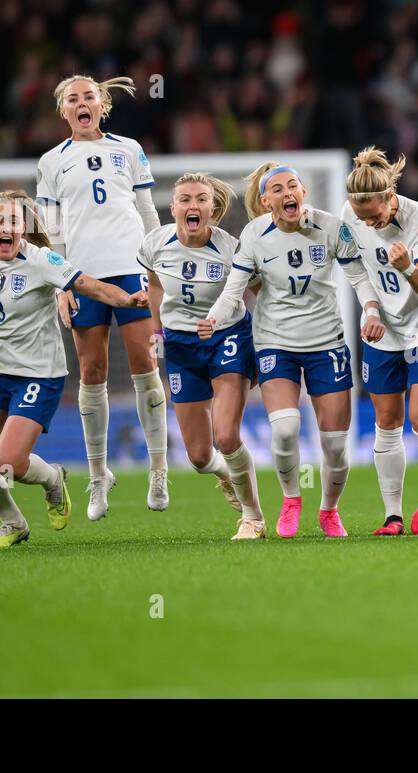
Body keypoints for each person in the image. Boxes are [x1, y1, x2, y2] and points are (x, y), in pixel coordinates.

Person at [0, 191, 149, 547]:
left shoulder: (42, 260)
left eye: (12, 222)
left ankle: (52, 478)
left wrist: (127, 300)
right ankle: (13, 522)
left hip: (39, 374)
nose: (4, 229)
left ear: (24, 228)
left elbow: (89, 285)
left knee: (9, 461)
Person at [202, 162, 384, 538]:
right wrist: (213, 318)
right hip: (275, 342)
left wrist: (370, 308)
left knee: (335, 445)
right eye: (279, 189)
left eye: (293, 186)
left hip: (326, 342)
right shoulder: (254, 235)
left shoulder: (332, 227)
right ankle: (290, 499)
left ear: (304, 192)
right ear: (266, 200)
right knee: (285, 430)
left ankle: (329, 511)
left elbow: (358, 278)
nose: (288, 194)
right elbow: (234, 290)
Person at [36, 75, 167, 519]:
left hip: (130, 269)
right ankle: (98, 477)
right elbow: (52, 231)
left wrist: (156, 272)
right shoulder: (52, 162)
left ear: (102, 105)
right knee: (91, 372)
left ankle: (158, 468)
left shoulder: (128, 149)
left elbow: (148, 211)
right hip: (82, 277)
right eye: (72, 98)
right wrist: (61, 285)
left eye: (89, 96)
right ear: (63, 111)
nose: (81, 103)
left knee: (144, 364)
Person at [141, 173, 265, 540]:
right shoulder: (155, 243)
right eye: (184, 199)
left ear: (213, 208)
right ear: (174, 206)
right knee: (198, 456)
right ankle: (226, 475)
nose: (192, 206)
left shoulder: (231, 248)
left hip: (228, 338)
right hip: (180, 345)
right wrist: (156, 333)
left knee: (226, 436)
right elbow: (155, 286)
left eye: (200, 199)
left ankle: (253, 517)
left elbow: (258, 289)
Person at [340, 147, 418, 536]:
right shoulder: (350, 216)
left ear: (390, 197)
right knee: (386, 421)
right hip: (382, 332)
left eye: (375, 215)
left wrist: (405, 267)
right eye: (361, 216)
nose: (368, 223)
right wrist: (370, 310)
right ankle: (393, 516)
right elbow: (354, 270)